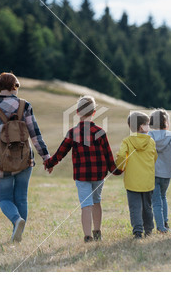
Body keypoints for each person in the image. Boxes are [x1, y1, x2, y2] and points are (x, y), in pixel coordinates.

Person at [0, 72, 50, 242]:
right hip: (24, 159)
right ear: (15, 87)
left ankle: (16, 221)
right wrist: (46, 157)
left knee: (5, 199)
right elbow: (35, 135)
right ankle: (17, 231)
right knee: (21, 197)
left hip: (1, 162)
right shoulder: (25, 105)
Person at [44, 96, 120, 242]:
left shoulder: (73, 133)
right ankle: (97, 232)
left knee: (86, 204)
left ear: (78, 112)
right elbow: (108, 155)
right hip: (98, 174)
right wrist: (117, 170)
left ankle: (87, 236)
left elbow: (61, 152)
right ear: (94, 112)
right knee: (97, 201)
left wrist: (50, 164)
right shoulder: (100, 132)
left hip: (82, 175)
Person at [116, 112, 158, 239]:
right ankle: (149, 229)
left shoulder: (127, 141)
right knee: (147, 207)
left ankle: (138, 231)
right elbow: (154, 157)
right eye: (147, 124)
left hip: (132, 181)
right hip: (147, 180)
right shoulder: (151, 141)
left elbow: (122, 156)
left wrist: (120, 167)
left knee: (135, 207)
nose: (149, 127)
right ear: (141, 127)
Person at [148, 109, 171, 233]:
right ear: (166, 121)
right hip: (167, 172)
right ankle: (165, 223)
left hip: (152, 172)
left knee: (155, 201)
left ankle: (160, 227)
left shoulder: (149, 136)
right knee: (163, 197)